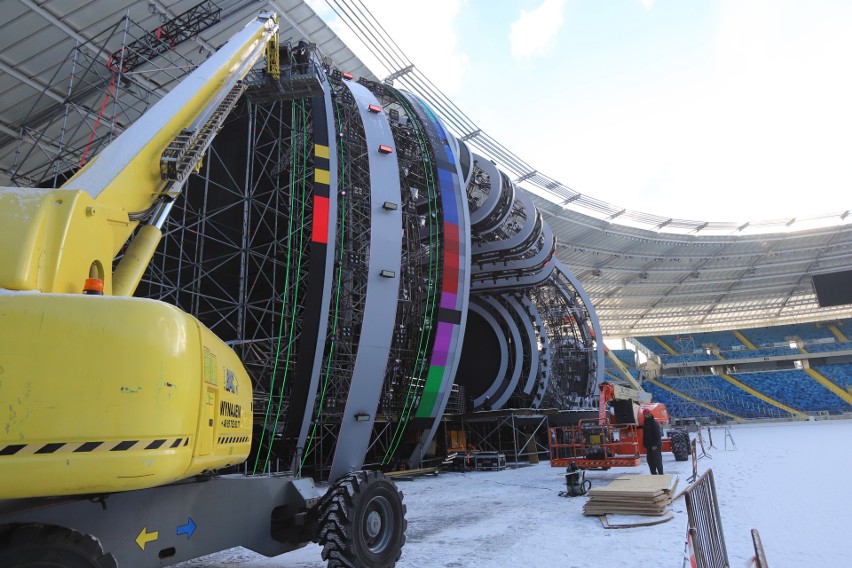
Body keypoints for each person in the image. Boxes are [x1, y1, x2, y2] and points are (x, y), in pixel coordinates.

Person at [642, 409, 664, 475]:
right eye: (645, 415)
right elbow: (645, 435)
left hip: (655, 446)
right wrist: (645, 444)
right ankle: (653, 474)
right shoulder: (645, 423)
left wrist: (655, 445)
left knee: (657, 461)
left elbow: (657, 435)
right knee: (650, 461)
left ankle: (661, 474)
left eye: (647, 414)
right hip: (649, 446)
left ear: (650, 414)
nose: (646, 416)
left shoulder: (654, 423)